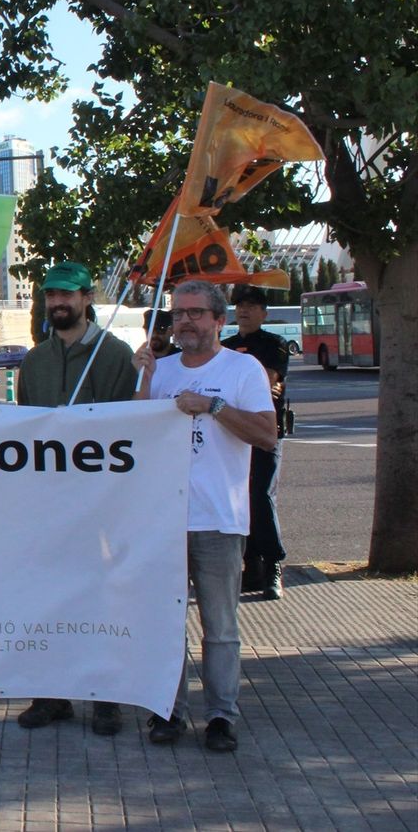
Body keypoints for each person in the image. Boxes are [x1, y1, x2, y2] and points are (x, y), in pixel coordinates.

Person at [133, 279, 276, 752]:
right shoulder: (162, 369)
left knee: (220, 628)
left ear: (219, 320)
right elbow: (134, 440)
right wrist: (144, 380)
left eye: (195, 312)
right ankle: (168, 712)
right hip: (165, 521)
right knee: (166, 625)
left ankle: (221, 716)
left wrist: (213, 406)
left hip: (217, 519)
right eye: (178, 314)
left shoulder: (243, 369)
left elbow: (265, 434)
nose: (185, 321)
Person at [11, 261, 138, 735]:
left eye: (68, 295)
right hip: (48, 502)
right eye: (51, 295)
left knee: (102, 598)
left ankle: (107, 697)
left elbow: (133, 428)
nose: (58, 303)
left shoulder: (116, 356)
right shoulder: (35, 361)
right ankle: (52, 693)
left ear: (87, 298)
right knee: (48, 596)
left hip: (102, 501)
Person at [222, 286, 290, 600]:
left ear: (264, 312)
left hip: (263, 430)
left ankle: (273, 564)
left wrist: (260, 379)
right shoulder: (225, 346)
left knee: (261, 495)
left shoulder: (274, 344)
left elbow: (268, 378)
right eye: (240, 306)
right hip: (230, 430)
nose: (244, 311)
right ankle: (249, 566)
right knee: (236, 498)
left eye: (251, 306)